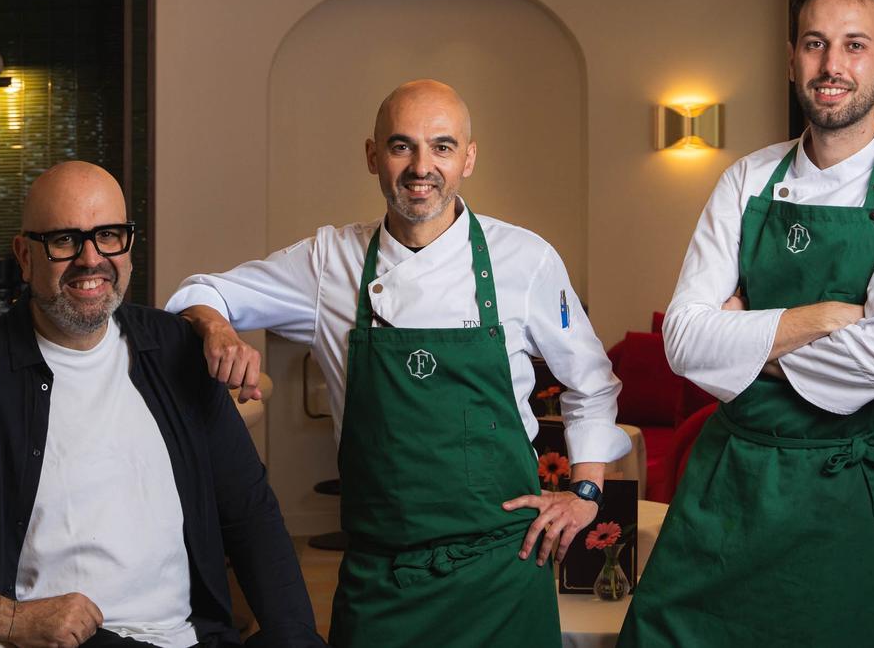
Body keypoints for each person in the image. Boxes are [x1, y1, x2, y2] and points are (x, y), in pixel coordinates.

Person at [166, 80, 630, 647]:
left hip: (502, 571)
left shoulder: (524, 259)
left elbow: (592, 382)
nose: (421, 167)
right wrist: (216, 329)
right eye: (401, 145)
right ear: (372, 156)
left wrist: (585, 492)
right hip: (381, 579)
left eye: (441, 146)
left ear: (468, 157)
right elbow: (201, 291)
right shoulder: (329, 261)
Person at [0, 162, 324, 648]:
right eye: (63, 239)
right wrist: (9, 619)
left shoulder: (178, 353)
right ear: (24, 254)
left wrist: (295, 639)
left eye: (108, 235)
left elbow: (250, 515)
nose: (90, 259)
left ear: (127, 245)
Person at [618, 0, 874, 646]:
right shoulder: (747, 178)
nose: (832, 66)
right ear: (792, 57)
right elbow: (683, 342)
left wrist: (745, 336)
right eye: (815, 44)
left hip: (844, 500)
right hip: (727, 488)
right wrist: (822, 316)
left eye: (855, 46)